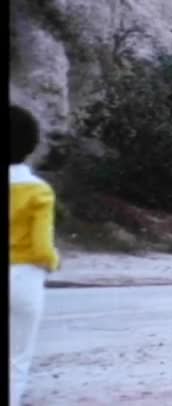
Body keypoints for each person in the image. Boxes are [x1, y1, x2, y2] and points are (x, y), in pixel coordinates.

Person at [10, 105, 60, 406]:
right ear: (30, 145)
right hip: (23, 276)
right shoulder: (38, 190)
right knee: (16, 360)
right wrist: (52, 261)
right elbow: (42, 247)